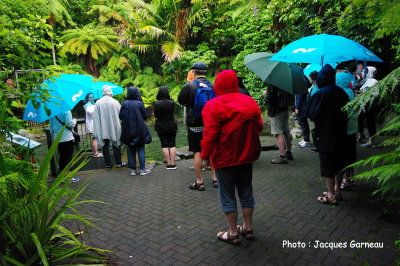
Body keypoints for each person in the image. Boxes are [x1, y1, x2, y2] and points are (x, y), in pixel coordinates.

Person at [201, 70, 263, 245]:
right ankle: (248, 228)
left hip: (224, 158)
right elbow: (259, 127)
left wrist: (205, 156)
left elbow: (210, 135)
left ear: (218, 84)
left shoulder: (213, 105)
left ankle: (233, 232)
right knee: (246, 191)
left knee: (227, 194)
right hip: (247, 155)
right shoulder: (249, 101)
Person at [307, 64, 349, 205]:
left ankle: (330, 195)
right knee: (339, 162)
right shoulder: (342, 93)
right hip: (341, 133)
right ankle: (337, 190)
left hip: (325, 135)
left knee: (328, 164)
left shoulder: (319, 94)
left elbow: (311, 114)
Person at [178, 62, 218, 190]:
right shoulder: (212, 85)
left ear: (194, 72)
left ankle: (199, 181)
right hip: (210, 123)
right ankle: (215, 179)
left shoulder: (189, 86)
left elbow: (180, 101)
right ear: (205, 72)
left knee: (197, 151)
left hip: (195, 124)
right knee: (212, 150)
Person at [119, 86, 151, 176]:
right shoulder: (139, 104)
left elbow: (120, 116)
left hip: (128, 129)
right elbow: (145, 116)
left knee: (130, 149)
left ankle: (133, 170)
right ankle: (142, 169)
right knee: (141, 148)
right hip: (139, 129)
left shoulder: (124, 104)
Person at [93, 85, 126, 169]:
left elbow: (96, 118)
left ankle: (107, 164)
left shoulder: (98, 103)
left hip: (103, 128)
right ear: (110, 91)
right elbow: (120, 115)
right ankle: (118, 162)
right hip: (114, 127)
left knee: (105, 145)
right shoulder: (115, 102)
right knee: (116, 143)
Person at [336, 72, 358, 192]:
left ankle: (344, 181)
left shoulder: (340, 93)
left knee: (343, 157)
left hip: (344, 130)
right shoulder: (351, 92)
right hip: (353, 128)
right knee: (351, 155)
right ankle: (350, 179)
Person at [263, 85, 294, 164]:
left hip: (276, 111)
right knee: (286, 131)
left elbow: (270, 98)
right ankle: (289, 153)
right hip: (284, 110)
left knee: (278, 133)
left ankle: (282, 156)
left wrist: (265, 95)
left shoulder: (272, 84)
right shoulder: (285, 83)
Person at [49, 110, 79, 182]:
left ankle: (61, 176)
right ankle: (68, 177)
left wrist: (53, 138)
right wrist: (74, 120)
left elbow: (51, 128)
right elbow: (70, 124)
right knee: (68, 158)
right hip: (67, 137)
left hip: (58, 138)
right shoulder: (66, 110)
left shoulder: (52, 111)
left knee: (62, 157)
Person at [154, 86, 178, 169]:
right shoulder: (171, 103)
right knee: (172, 144)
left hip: (160, 126)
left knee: (164, 145)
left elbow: (156, 115)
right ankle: (173, 163)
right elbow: (172, 113)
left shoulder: (156, 103)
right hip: (171, 125)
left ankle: (168, 164)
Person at [358, 66, 379, 148]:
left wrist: (361, 93)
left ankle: (371, 141)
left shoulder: (374, 81)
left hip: (370, 104)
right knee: (366, 121)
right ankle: (369, 139)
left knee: (370, 122)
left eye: (365, 71)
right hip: (364, 104)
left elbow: (374, 93)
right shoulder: (366, 81)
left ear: (369, 72)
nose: (362, 73)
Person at [83, 93, 102, 158]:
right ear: (88, 98)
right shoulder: (88, 105)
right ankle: (96, 153)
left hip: (93, 124)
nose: (92, 98)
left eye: (93, 97)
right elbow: (91, 113)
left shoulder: (92, 104)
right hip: (92, 124)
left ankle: (94, 152)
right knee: (95, 138)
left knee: (94, 138)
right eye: (91, 97)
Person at [307, 71, 319, 152]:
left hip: (316, 111)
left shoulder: (316, 88)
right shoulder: (314, 87)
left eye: (309, 77)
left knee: (317, 129)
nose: (308, 79)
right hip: (314, 110)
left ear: (313, 78)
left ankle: (318, 146)